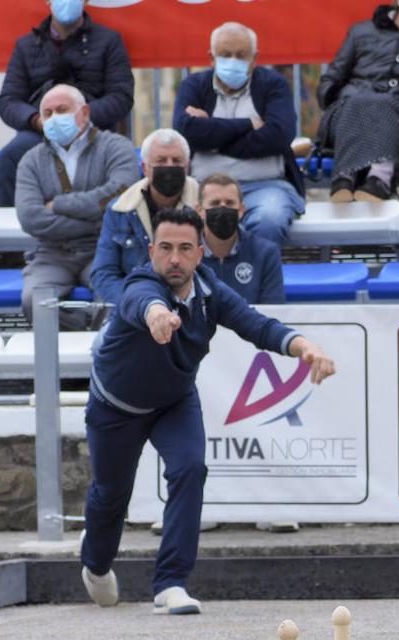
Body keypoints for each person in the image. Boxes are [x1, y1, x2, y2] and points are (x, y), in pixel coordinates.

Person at [79, 206, 336, 615]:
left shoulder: (211, 291)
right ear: (151, 251)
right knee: (111, 496)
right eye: (165, 248)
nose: (175, 259)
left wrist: (304, 345)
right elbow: (139, 303)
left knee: (190, 469)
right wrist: (157, 315)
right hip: (116, 408)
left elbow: (257, 325)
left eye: (184, 249)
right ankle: (94, 563)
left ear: (200, 253)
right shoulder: (140, 284)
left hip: (173, 402)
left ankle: (170, 584)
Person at [15, 84, 138, 327]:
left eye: (62, 110)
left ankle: (102, 353)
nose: (54, 118)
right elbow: (30, 218)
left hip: (105, 248)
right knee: (33, 301)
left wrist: (59, 204)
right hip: (52, 254)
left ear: (84, 113)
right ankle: (85, 327)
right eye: (47, 114)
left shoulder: (117, 147)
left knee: (115, 299)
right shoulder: (30, 160)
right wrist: (96, 220)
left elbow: (121, 194)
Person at [173, 23, 306, 248]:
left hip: (265, 187)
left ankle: (255, 280)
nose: (233, 61)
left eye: (241, 55)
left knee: (270, 220)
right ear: (211, 58)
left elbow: (279, 136)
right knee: (182, 225)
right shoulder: (194, 86)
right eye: (225, 55)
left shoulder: (273, 85)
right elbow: (186, 133)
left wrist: (214, 137)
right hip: (203, 190)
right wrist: (248, 125)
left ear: (254, 59)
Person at [0, 0, 133, 207]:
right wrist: (37, 119)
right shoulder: (26, 45)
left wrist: (81, 118)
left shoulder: (109, 41)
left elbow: (121, 97)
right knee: (10, 157)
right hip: (39, 133)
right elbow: (8, 101)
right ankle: (10, 230)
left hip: (93, 131)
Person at [317, 0, 399, 202]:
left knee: (386, 103)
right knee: (355, 100)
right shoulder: (361, 31)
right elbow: (332, 77)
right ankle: (344, 177)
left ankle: (379, 178)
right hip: (352, 106)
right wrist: (332, 102)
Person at [91, 128, 199, 309]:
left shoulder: (203, 206)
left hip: (191, 310)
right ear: (145, 168)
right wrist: (139, 308)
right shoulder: (120, 209)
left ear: (187, 167)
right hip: (132, 310)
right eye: (161, 161)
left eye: (177, 161)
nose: (169, 166)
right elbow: (104, 274)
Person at [197, 173, 284, 305]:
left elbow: (273, 312)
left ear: (241, 210)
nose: (223, 208)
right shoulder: (185, 253)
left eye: (229, 203)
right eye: (215, 203)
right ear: (199, 210)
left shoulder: (266, 253)